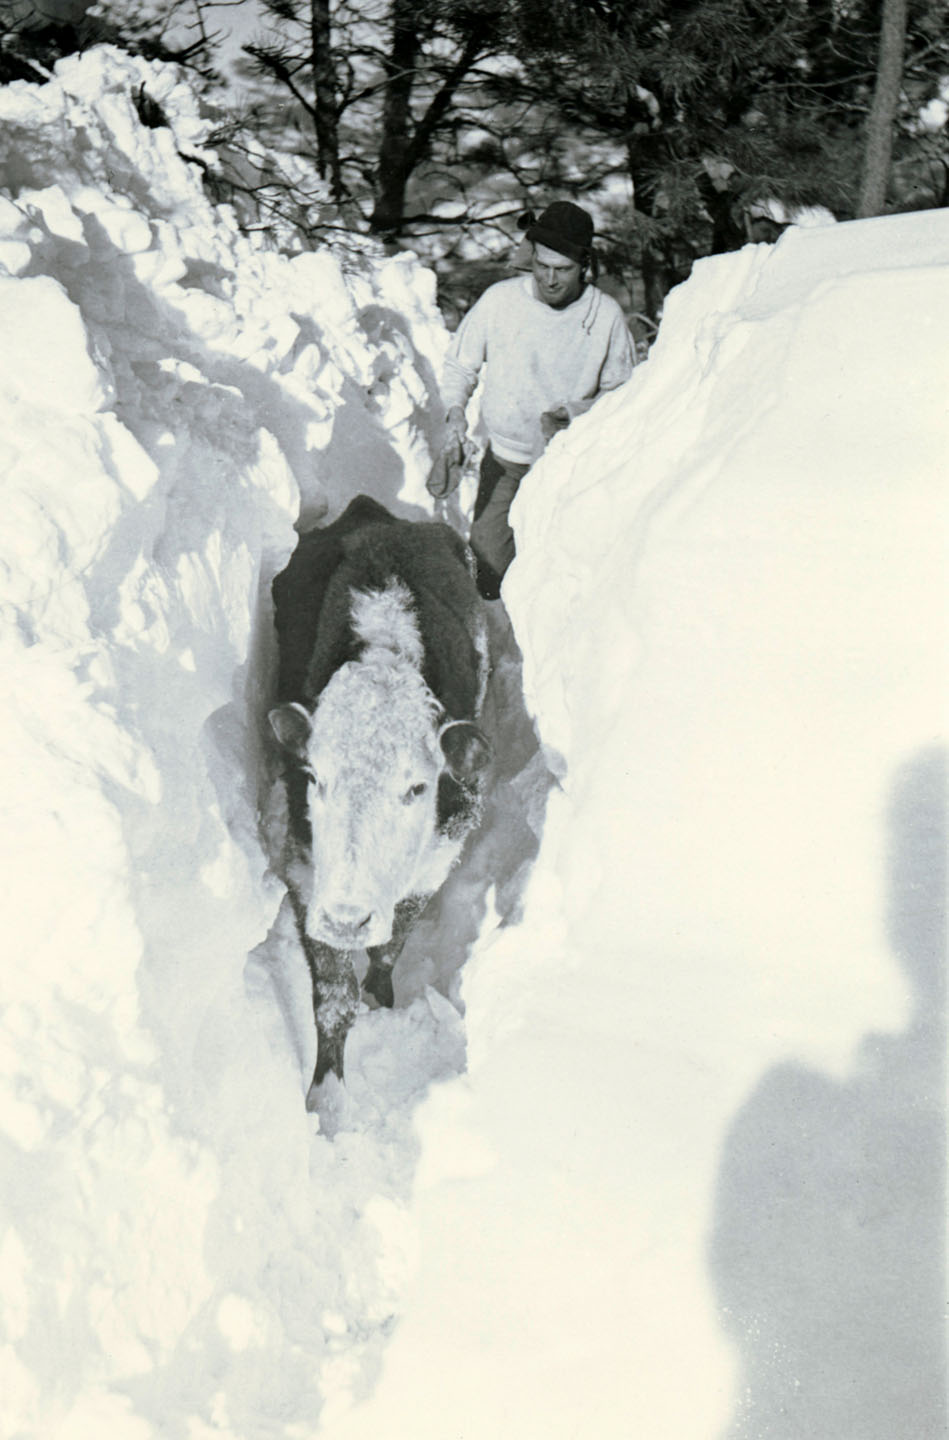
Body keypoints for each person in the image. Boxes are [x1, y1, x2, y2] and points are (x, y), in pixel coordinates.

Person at [428, 200, 635, 598]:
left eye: (563, 270)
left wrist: (575, 413)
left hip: (570, 466)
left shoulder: (605, 315)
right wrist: (455, 416)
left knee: (561, 575)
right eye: (543, 266)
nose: (550, 279)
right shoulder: (501, 301)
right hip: (505, 460)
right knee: (486, 568)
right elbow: (460, 366)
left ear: (584, 266)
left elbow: (623, 397)